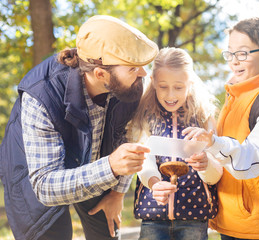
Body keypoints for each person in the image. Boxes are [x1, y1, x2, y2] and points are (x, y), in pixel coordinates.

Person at [0, 15, 159, 240]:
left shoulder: (129, 86)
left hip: (94, 165)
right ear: (100, 74)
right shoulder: (41, 95)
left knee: (107, 233)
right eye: (133, 68)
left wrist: (117, 192)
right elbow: (45, 186)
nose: (143, 73)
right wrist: (111, 166)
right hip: (37, 174)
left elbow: (126, 138)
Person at [182, 17, 259, 240]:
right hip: (229, 219)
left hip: (256, 227)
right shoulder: (234, 96)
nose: (234, 61)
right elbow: (223, 158)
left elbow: (251, 159)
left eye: (243, 53)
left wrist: (214, 143)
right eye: (230, 53)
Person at [126, 47, 223, 240]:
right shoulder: (145, 115)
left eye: (178, 87)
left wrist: (206, 165)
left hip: (194, 216)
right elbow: (144, 160)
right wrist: (154, 184)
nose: (170, 95)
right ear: (153, 82)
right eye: (163, 86)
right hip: (153, 214)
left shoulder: (204, 118)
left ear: (191, 83)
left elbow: (215, 174)